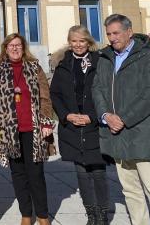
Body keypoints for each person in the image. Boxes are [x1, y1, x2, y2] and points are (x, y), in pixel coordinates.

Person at [92, 14, 150, 225]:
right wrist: (106, 116)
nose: (112, 38)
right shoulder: (105, 58)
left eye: (116, 33)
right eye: (109, 34)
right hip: (116, 135)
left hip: (142, 135)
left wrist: (124, 119)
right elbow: (98, 89)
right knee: (131, 192)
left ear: (129, 32)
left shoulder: (148, 57)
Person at [50, 26, 109, 225]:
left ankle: (102, 214)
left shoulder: (100, 62)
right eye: (74, 41)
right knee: (82, 172)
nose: (78, 45)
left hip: (94, 124)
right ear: (69, 42)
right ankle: (91, 214)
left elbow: (107, 94)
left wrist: (92, 117)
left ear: (88, 42)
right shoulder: (63, 64)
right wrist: (66, 116)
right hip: (73, 126)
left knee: (98, 171)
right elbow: (55, 94)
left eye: (81, 41)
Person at [0, 33, 54, 225]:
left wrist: (46, 122)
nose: (14, 48)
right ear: (5, 48)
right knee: (18, 175)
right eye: (10, 45)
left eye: (18, 45)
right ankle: (26, 214)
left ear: (23, 47)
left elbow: (45, 97)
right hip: (9, 131)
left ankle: (43, 216)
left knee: (36, 175)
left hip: (33, 130)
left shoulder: (34, 67)